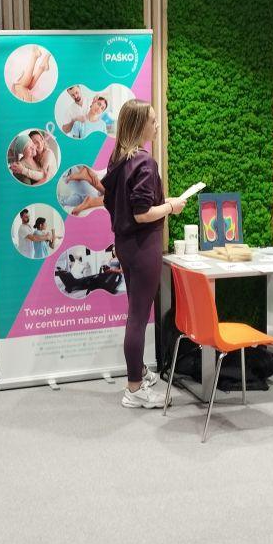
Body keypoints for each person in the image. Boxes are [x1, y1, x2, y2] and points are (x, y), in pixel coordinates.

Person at [102, 99, 184, 408]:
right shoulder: (144, 163)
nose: (157, 125)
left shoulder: (118, 160)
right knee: (137, 317)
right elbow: (142, 213)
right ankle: (134, 389)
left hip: (126, 245)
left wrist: (163, 204)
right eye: (152, 120)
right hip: (143, 245)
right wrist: (171, 207)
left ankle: (138, 375)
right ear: (139, 126)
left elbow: (121, 204)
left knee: (135, 313)